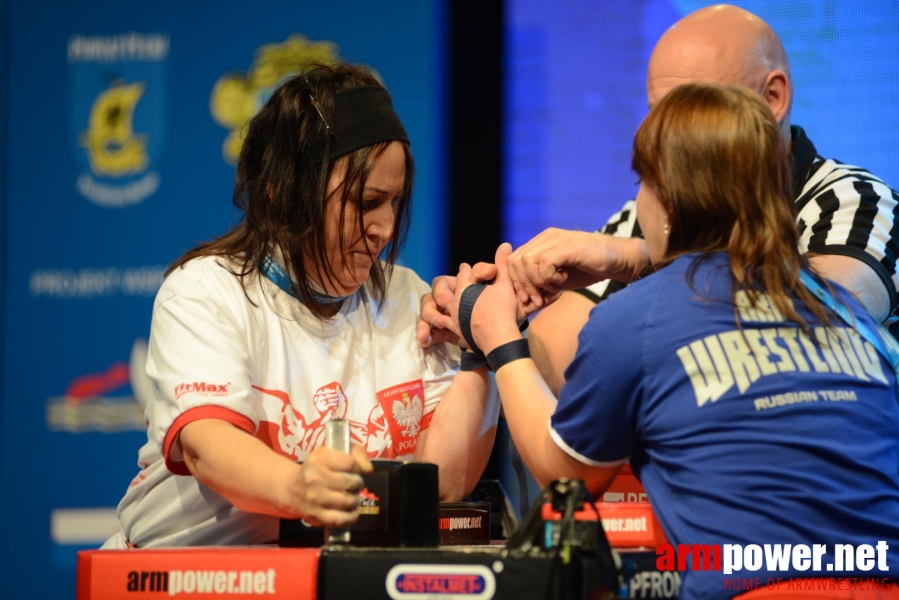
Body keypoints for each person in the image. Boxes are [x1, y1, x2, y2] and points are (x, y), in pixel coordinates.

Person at [449, 82, 899, 600]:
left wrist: (498, 335)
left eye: (642, 182)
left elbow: (563, 471)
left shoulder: (637, 316)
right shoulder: (850, 314)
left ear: (666, 201)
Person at [102, 63, 498, 549]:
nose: (386, 229)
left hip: (330, 574)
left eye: (394, 202)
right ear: (285, 192)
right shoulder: (205, 292)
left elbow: (444, 482)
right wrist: (299, 489)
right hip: (186, 571)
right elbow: (208, 448)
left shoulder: (407, 299)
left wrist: (483, 345)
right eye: (366, 201)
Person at [417, 5, 899, 399]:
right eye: (657, 113)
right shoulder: (642, 217)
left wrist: (637, 258)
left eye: (694, 105)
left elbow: (810, 328)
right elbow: (560, 369)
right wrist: (494, 321)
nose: (669, 137)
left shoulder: (852, 200)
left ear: (772, 97)